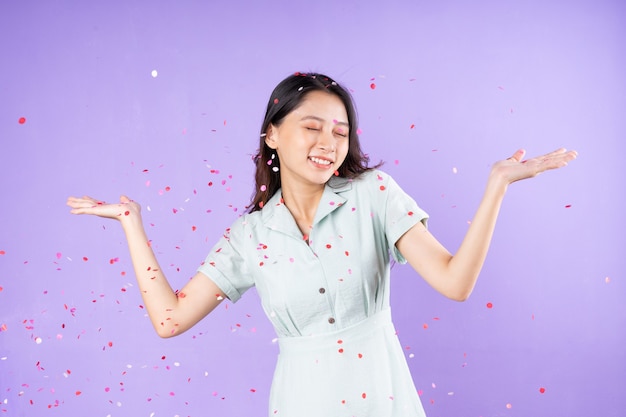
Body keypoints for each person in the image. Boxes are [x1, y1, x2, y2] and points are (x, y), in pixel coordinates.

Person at [67, 72, 577, 416]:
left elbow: (455, 282)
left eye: (340, 130)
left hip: (383, 396)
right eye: (311, 126)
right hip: (301, 401)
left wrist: (497, 185)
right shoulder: (250, 237)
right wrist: (132, 222)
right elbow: (169, 319)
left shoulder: (374, 195)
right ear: (272, 135)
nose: (328, 143)